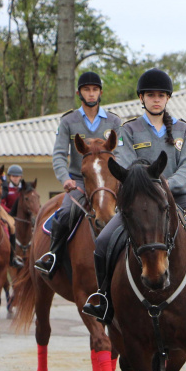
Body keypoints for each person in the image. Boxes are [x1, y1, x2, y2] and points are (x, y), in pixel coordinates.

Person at [81, 69, 186, 322]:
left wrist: (164, 187)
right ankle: (103, 297)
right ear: (142, 98)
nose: (156, 99)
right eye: (151, 95)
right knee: (103, 243)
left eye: (161, 95)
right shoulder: (128, 130)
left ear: (167, 98)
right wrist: (150, 188)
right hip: (140, 202)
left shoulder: (182, 129)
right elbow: (125, 164)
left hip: (179, 197)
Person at [34, 71, 122, 277]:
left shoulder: (114, 121)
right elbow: (58, 155)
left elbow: (122, 154)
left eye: (95, 90)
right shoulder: (68, 121)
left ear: (100, 93)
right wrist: (65, 178)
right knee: (65, 213)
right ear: (79, 93)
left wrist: (120, 177)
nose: (91, 93)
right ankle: (53, 256)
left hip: (109, 181)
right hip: (79, 181)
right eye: (86, 90)